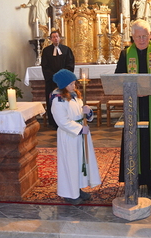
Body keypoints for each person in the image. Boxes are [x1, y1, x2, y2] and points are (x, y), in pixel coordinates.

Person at [115, 19, 151, 195]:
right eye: (138, 36)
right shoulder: (126, 54)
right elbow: (118, 77)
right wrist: (133, 89)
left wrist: (149, 89)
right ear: (132, 37)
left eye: (145, 36)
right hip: (134, 104)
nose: (141, 40)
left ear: (150, 35)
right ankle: (135, 178)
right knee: (136, 139)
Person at [51, 69, 101, 205]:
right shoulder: (58, 100)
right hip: (69, 136)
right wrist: (79, 129)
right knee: (71, 163)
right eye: (71, 84)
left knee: (80, 162)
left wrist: (88, 112)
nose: (74, 86)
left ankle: (77, 188)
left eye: (74, 83)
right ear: (63, 85)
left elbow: (82, 114)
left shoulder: (75, 96)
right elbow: (62, 121)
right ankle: (69, 193)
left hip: (81, 134)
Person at [41, 31, 75, 129]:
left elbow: (70, 64)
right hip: (52, 82)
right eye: (53, 37)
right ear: (50, 39)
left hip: (64, 82)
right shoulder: (46, 51)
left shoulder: (66, 50)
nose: (55, 38)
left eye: (57, 36)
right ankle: (53, 122)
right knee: (52, 101)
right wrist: (55, 77)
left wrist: (63, 77)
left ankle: (67, 120)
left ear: (60, 38)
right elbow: (45, 66)